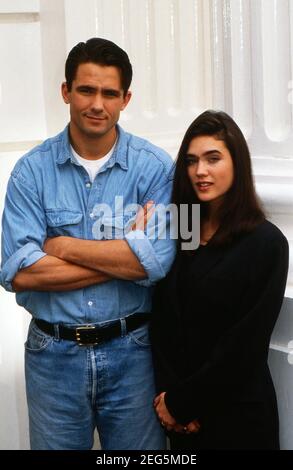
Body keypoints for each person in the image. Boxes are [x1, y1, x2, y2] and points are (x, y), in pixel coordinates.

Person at [0, 38, 176, 450]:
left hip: (133, 353)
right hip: (52, 356)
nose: (97, 104)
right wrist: (126, 250)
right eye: (86, 90)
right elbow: (18, 271)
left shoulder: (155, 170)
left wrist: (59, 246)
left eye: (109, 93)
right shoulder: (30, 173)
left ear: (125, 99)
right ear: (66, 91)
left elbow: (158, 262)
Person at [150, 110, 289, 449]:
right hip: (181, 423)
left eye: (213, 158)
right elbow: (163, 325)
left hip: (239, 420)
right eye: (191, 161)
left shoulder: (266, 243)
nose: (200, 171)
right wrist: (170, 403)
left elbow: (244, 348)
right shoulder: (179, 233)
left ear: (237, 163)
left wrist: (184, 404)